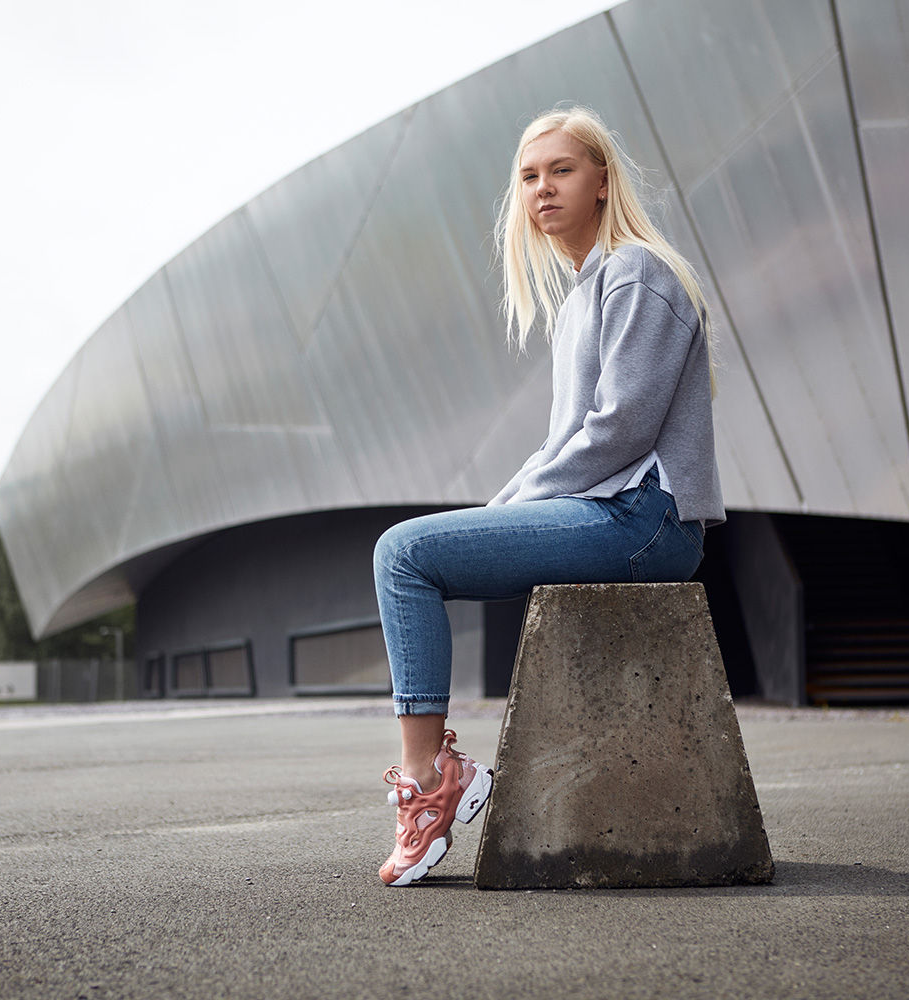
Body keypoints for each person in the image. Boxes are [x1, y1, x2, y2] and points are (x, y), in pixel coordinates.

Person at [371, 106, 725, 887]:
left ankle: (430, 785)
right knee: (411, 553)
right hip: (613, 512)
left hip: (647, 519)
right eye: (529, 176)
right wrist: (508, 508)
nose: (542, 189)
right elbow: (566, 446)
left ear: (602, 181)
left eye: (562, 170)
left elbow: (619, 431)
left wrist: (517, 507)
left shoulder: (638, 272)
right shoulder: (583, 293)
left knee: (403, 554)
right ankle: (435, 780)